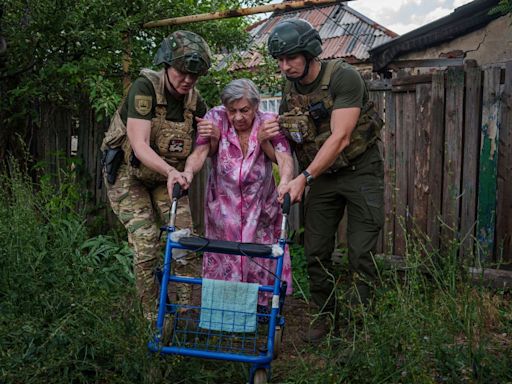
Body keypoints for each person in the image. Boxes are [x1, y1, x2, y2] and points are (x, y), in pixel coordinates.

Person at [267, 18, 385, 342]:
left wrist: (304, 178)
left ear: (309, 52)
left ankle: (360, 329)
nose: (284, 65)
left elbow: (341, 138)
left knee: (360, 253)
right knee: (315, 250)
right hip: (322, 178)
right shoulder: (288, 91)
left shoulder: (343, 77)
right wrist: (287, 178)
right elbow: (288, 143)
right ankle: (327, 318)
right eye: (279, 59)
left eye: (290, 57)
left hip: (361, 170)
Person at [100, 30, 212, 318]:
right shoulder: (145, 88)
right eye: (181, 72)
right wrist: (172, 170)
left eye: (194, 75)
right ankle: (153, 318)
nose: (187, 80)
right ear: (166, 64)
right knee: (147, 241)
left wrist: (188, 169)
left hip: (168, 176)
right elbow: (138, 146)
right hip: (129, 172)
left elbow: (204, 145)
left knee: (185, 241)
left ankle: (187, 313)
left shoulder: (195, 102)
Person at [182, 78, 294, 309]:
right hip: (223, 209)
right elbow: (200, 153)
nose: (238, 117)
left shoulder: (269, 122)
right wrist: (187, 174)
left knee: (258, 259)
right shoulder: (215, 118)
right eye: (232, 111)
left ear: (256, 106)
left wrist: (285, 183)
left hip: (260, 206)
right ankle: (225, 312)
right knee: (225, 257)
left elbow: (284, 158)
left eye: (244, 110)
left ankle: (262, 310)